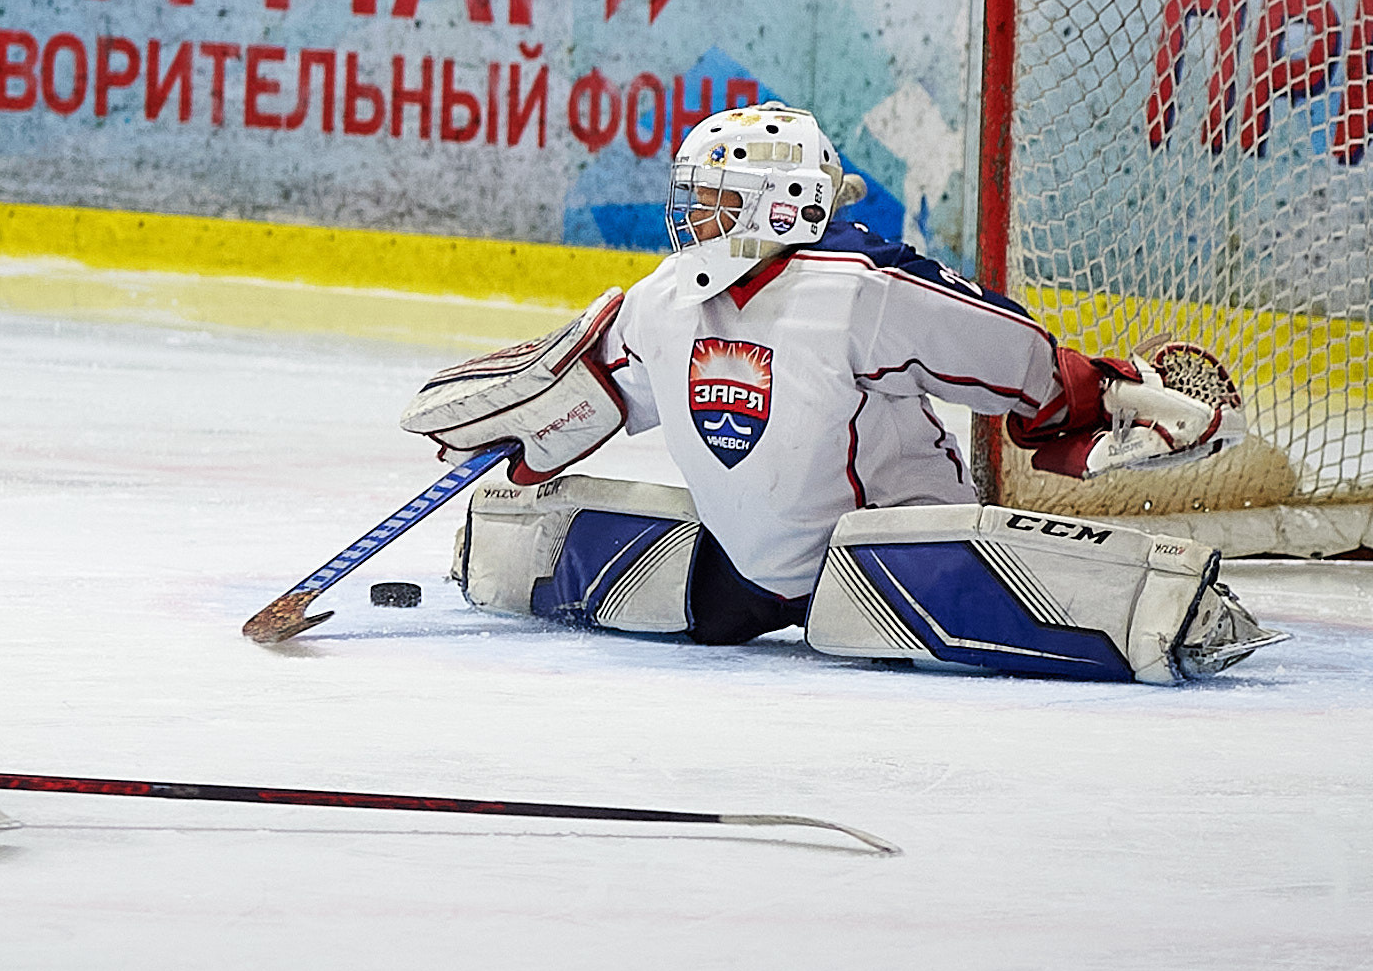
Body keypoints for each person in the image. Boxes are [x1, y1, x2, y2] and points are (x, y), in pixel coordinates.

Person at [401, 101, 1283, 684]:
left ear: (780, 203)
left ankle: (1170, 609)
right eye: (694, 198)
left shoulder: (858, 285)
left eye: (714, 199)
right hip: (749, 579)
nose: (692, 218)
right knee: (551, 537)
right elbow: (596, 389)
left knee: (912, 563)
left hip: (896, 566)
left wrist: (1086, 397)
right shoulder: (662, 299)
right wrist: (539, 420)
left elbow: (1003, 348)